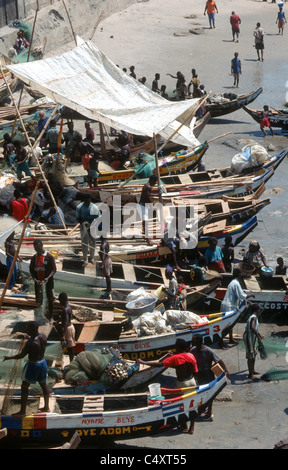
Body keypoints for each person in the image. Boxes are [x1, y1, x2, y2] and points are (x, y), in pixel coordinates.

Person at [137, 338, 198, 434]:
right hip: (192, 381)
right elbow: (195, 371)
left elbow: (159, 364)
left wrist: (143, 362)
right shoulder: (190, 355)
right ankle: (192, 428)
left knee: (181, 404)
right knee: (192, 404)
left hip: (182, 384)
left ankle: (184, 425)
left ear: (177, 347)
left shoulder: (175, 358)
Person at [3, 321, 50, 417]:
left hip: (33, 365)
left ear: (32, 329)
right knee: (43, 384)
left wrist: (8, 357)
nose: (26, 329)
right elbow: (35, 339)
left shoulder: (30, 343)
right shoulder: (43, 336)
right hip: (43, 363)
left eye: (28, 328)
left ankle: (22, 412)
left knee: (24, 387)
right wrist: (29, 336)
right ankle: (46, 407)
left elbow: (21, 355)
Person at [191, 334, 229, 420]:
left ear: (199, 341)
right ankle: (204, 408)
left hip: (208, 375)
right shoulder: (193, 350)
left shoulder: (208, 350)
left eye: (193, 340)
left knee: (210, 394)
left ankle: (209, 411)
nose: (192, 342)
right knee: (201, 393)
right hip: (199, 375)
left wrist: (226, 371)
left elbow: (219, 360)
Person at [220, 268, 255, 349]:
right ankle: (220, 343)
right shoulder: (236, 283)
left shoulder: (232, 282)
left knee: (231, 323)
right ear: (239, 274)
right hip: (228, 306)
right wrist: (251, 295)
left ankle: (231, 339)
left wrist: (245, 301)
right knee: (226, 325)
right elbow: (242, 296)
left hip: (227, 305)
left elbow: (239, 296)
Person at [29, 240, 56, 320]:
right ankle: (40, 316)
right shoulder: (34, 258)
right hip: (38, 283)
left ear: (42, 245)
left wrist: (47, 278)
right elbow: (31, 270)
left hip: (48, 282)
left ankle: (51, 316)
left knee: (50, 299)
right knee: (39, 300)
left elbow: (54, 270)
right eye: (35, 248)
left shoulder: (49, 257)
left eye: (38, 248)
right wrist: (35, 279)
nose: (37, 250)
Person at [76, 194, 100, 267]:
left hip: (93, 225)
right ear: (84, 201)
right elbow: (78, 218)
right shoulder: (79, 207)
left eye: (88, 201)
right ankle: (85, 259)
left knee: (93, 242)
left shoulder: (94, 207)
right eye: (86, 201)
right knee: (85, 243)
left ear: (90, 200)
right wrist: (84, 224)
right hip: (84, 225)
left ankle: (92, 258)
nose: (87, 202)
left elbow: (98, 218)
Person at [243, 304, 264, 381]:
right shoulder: (254, 317)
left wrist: (259, 336)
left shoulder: (253, 317)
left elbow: (255, 329)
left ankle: (253, 370)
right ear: (257, 310)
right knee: (250, 356)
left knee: (254, 354)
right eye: (259, 309)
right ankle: (250, 375)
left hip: (252, 337)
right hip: (249, 338)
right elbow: (252, 327)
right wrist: (259, 337)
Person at [54, 293, 75, 362]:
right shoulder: (69, 307)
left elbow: (65, 322)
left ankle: (71, 362)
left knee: (70, 348)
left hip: (67, 329)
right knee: (70, 346)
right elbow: (64, 318)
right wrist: (57, 321)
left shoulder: (65, 310)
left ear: (63, 300)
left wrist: (63, 335)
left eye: (60, 300)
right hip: (71, 327)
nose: (59, 302)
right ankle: (70, 360)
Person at [138, 174, 158, 245]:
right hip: (143, 206)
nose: (155, 183)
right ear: (152, 180)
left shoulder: (147, 186)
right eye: (155, 181)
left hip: (143, 205)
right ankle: (148, 239)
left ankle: (146, 235)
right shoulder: (148, 187)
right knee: (146, 222)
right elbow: (148, 198)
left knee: (145, 222)